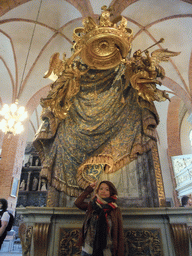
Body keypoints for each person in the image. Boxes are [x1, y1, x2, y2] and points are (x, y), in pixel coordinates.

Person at [75, 180, 125, 256]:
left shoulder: (115, 210)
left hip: (107, 250)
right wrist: (89, 189)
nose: (103, 191)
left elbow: (119, 233)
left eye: (107, 189)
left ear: (111, 192)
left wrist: (120, 252)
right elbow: (78, 203)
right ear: (97, 191)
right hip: (88, 249)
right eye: (101, 189)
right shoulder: (92, 206)